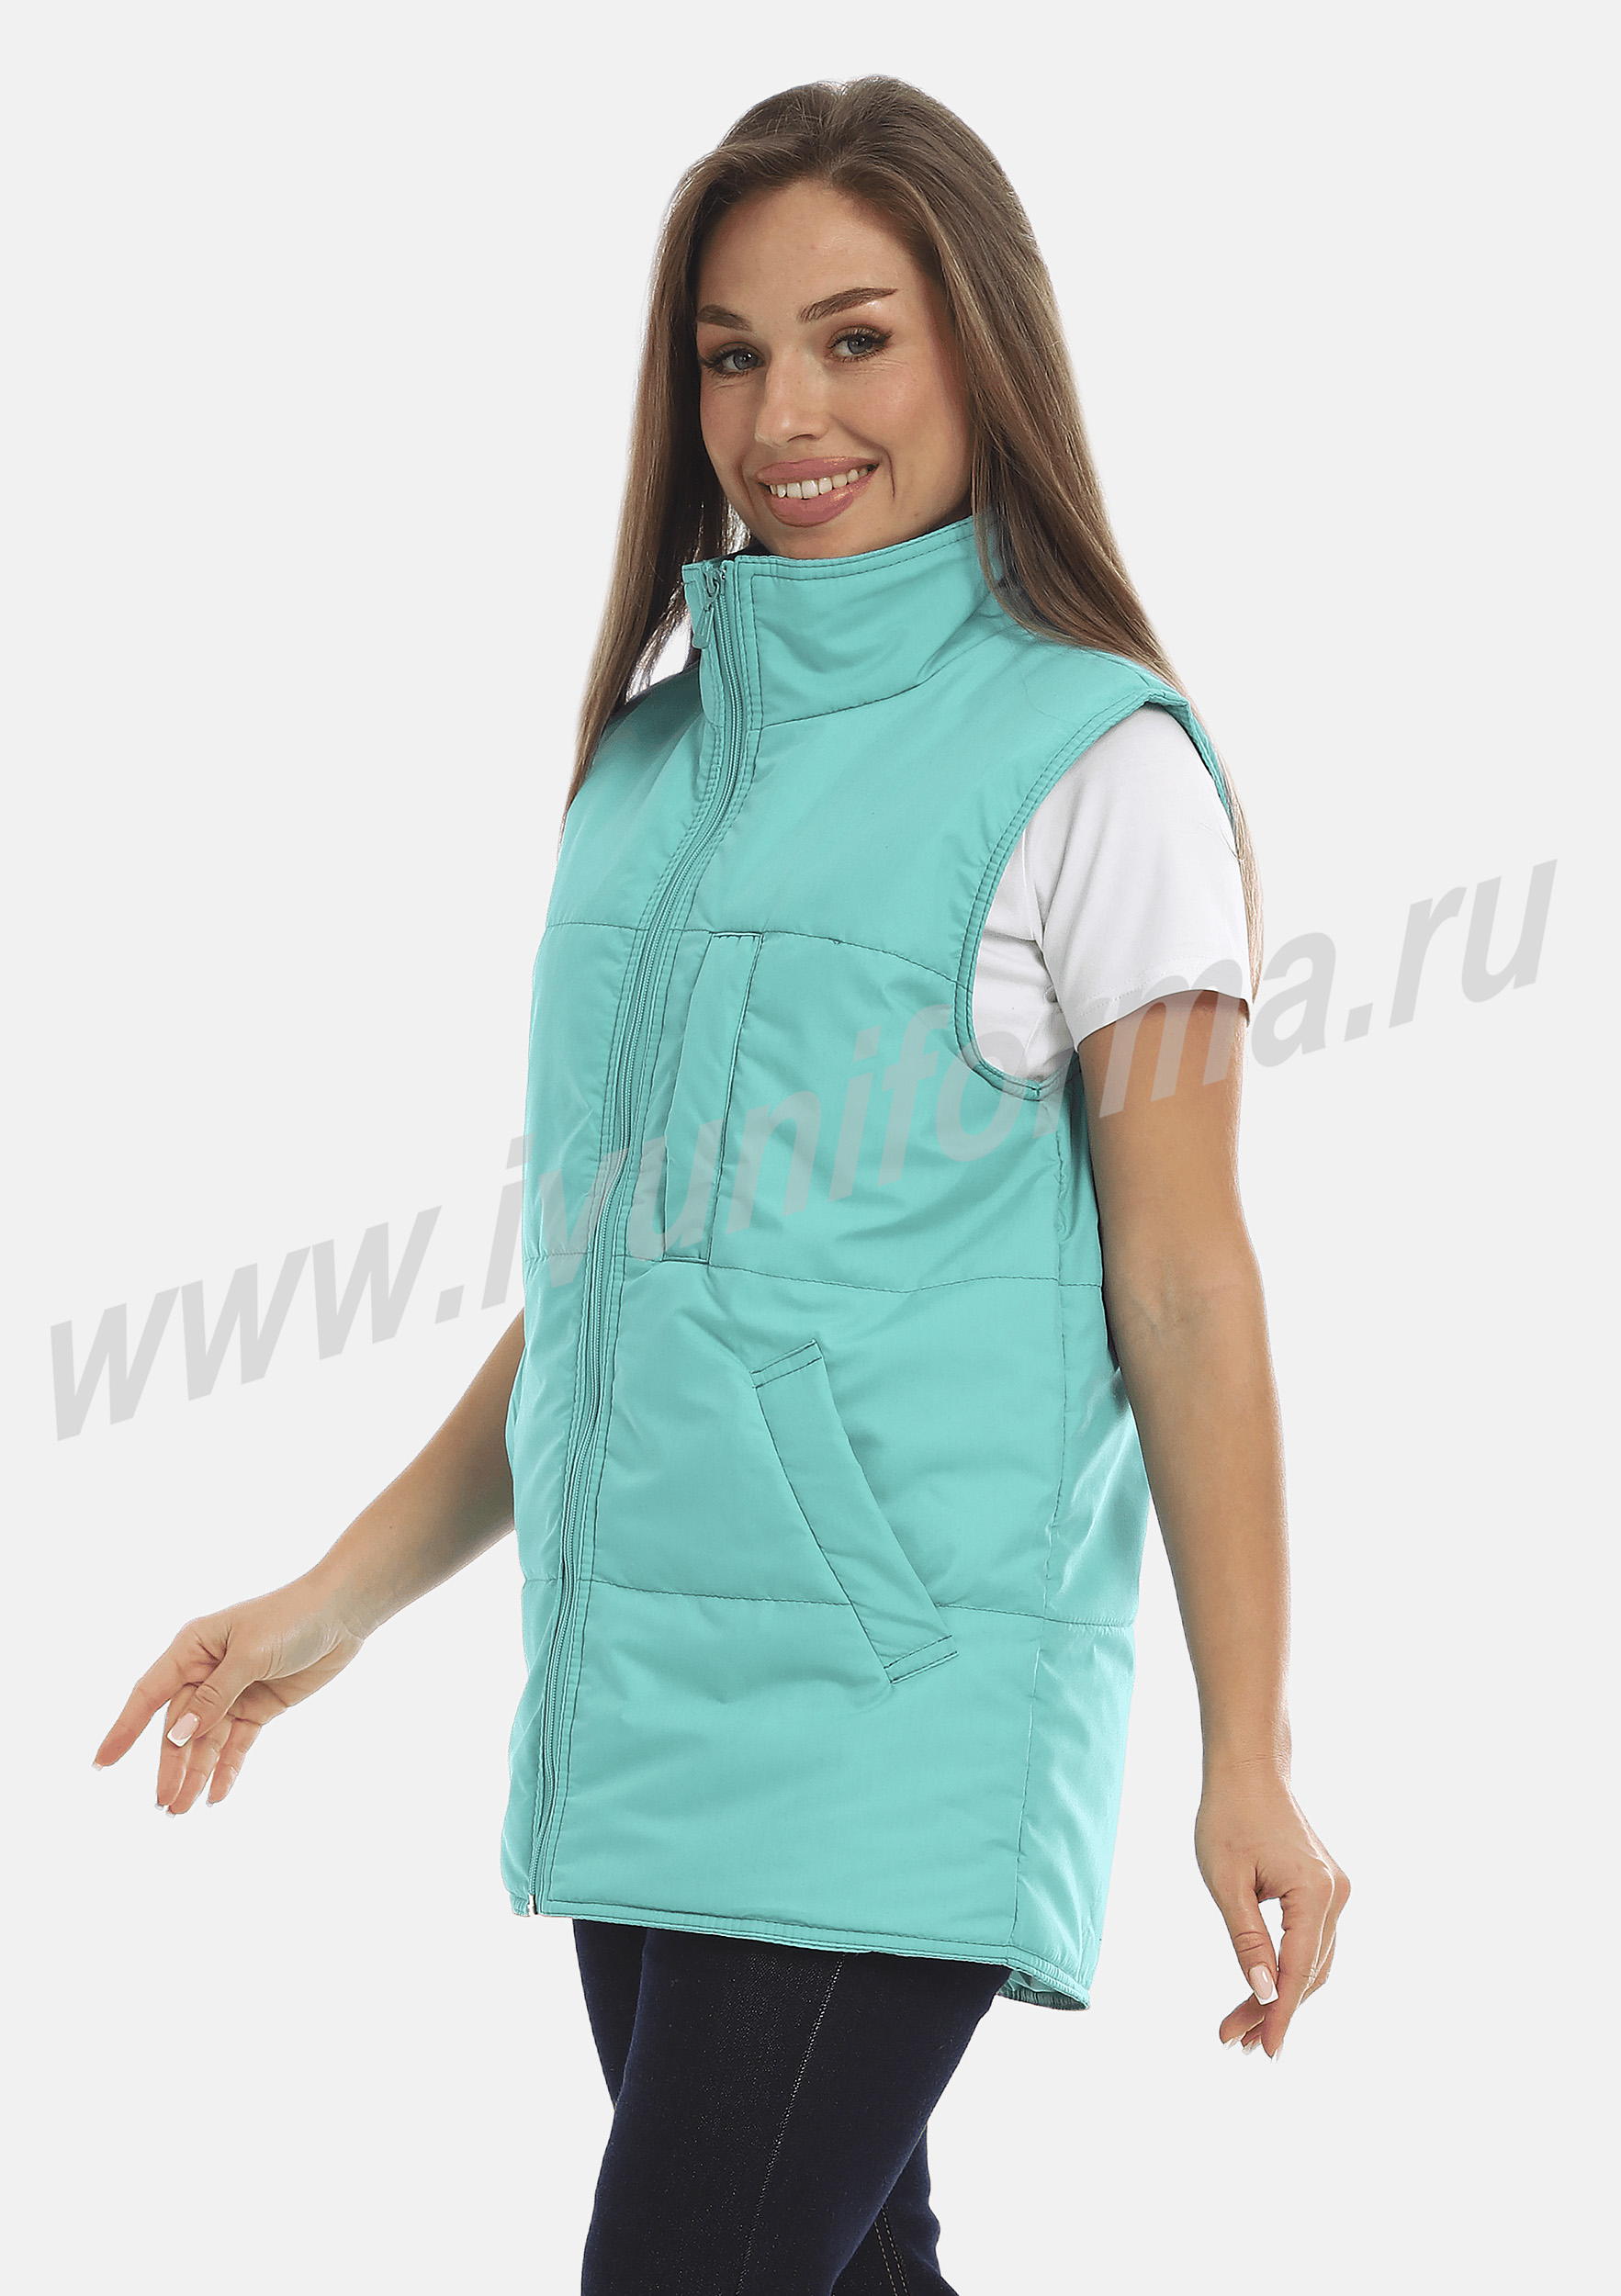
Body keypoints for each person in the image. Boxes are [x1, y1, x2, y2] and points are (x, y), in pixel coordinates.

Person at [95, 76, 1350, 2295]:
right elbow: (615, 1285)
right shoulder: (650, 765)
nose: (788, 413)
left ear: (980, 346)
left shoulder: (1099, 765)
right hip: (639, 1710)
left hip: (891, 1717)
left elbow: (1182, 1279)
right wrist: (332, 1600)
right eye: (731, 351)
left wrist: (1244, 1748)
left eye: (856, 339)